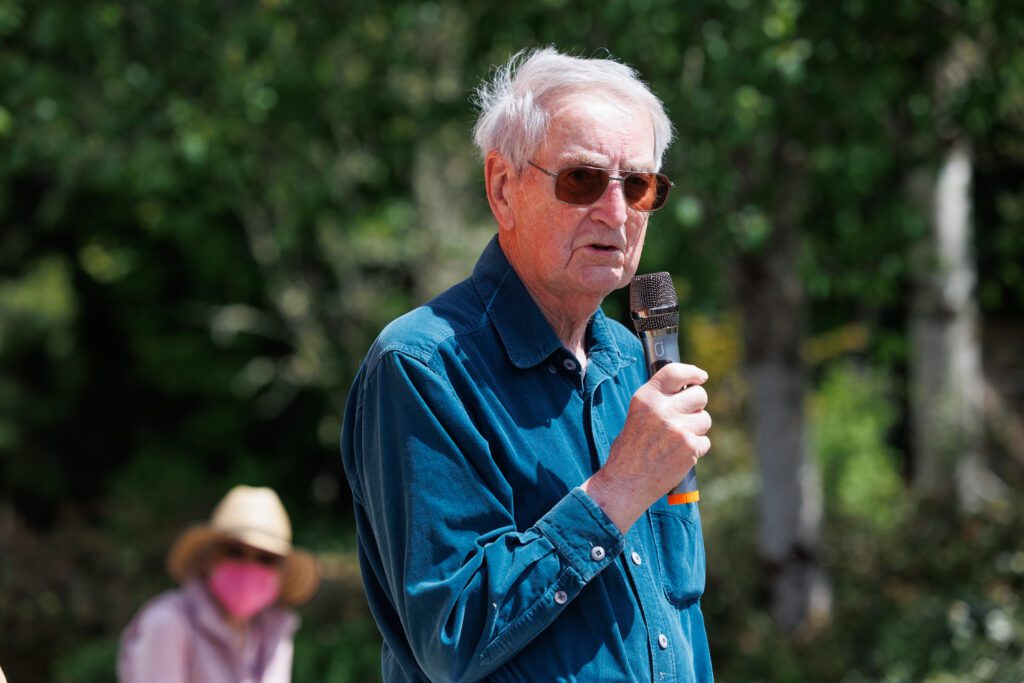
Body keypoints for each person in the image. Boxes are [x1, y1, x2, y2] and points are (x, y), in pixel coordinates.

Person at [341, 47, 713, 682]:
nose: (617, 213)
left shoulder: (633, 361)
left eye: (639, 185)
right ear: (503, 187)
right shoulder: (423, 367)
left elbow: (678, 615)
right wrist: (616, 491)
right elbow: (450, 636)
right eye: (582, 180)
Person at [118, 485, 320, 683]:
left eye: (265, 558)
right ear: (208, 558)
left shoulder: (274, 633)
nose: (249, 566)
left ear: (280, 572)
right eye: (235, 552)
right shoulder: (168, 624)